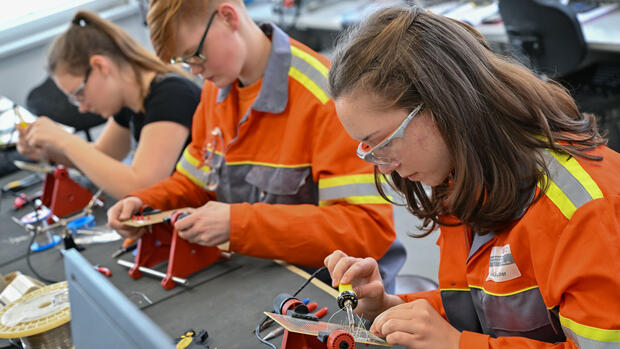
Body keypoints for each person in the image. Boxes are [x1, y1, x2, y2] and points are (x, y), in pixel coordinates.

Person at [323, 5, 620, 349]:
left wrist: (458, 345)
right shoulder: (464, 174)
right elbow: (486, 309)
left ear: (443, 105)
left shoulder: (581, 209)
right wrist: (390, 309)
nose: (384, 166)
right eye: (368, 149)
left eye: (384, 142)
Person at [107, 0, 406, 290]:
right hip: (261, 275)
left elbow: (365, 231)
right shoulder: (215, 92)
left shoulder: (326, 99)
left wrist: (237, 225)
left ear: (228, 17)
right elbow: (196, 182)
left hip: (339, 291)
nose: (194, 71)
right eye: (183, 62)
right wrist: (147, 203)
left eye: (194, 55)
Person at [17, 11, 200, 199]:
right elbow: (101, 156)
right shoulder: (130, 101)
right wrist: (47, 152)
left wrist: (64, 140)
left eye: (79, 93)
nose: (82, 108)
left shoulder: (171, 95)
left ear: (100, 66)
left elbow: (141, 187)